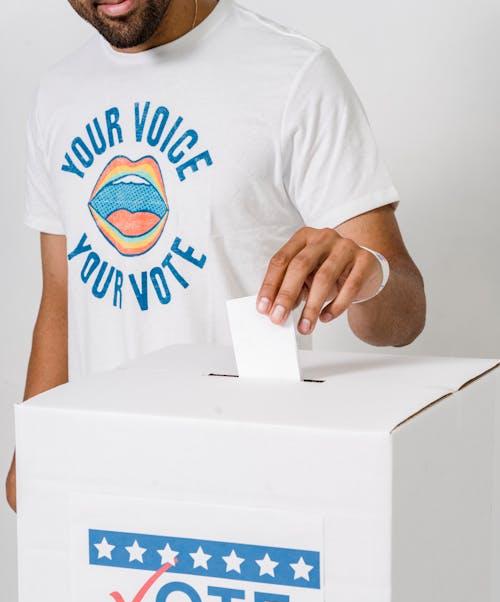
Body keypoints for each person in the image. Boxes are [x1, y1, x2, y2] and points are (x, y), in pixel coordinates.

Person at [5, 0, 426, 511]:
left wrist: (367, 271)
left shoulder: (294, 73)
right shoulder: (58, 92)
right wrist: (32, 446)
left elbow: (401, 321)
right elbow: (62, 296)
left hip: (246, 478)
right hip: (101, 474)